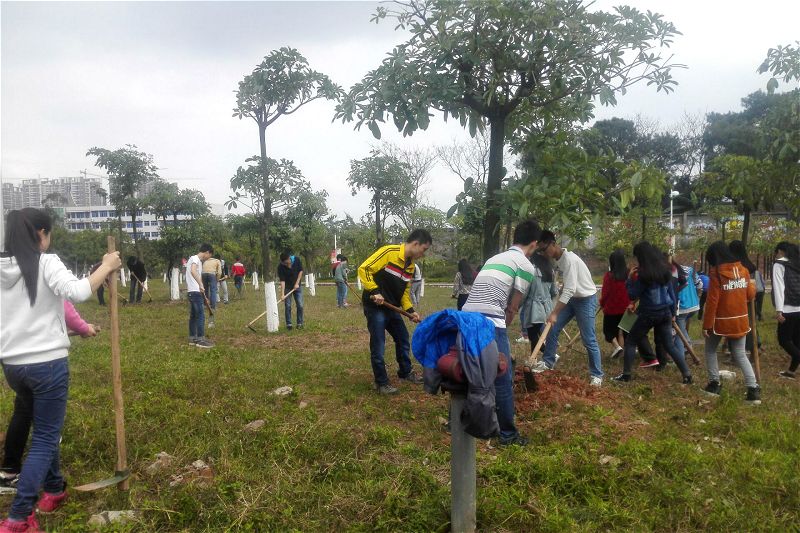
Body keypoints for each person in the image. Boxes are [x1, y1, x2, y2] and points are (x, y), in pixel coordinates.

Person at [0, 208, 121, 531]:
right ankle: (19, 516)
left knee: (42, 426)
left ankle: (54, 489)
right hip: (47, 365)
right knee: (45, 437)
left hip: (13, 367)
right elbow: (79, 292)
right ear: (41, 234)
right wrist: (107, 266)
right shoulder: (46, 262)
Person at [0, 301, 99, 494]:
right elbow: (62, 303)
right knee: (46, 430)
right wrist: (83, 327)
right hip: (38, 358)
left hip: (11, 355)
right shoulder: (37, 270)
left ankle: (10, 469)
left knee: (23, 408)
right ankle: (49, 488)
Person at [463, 220, 541, 445]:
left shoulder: (494, 258)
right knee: (502, 376)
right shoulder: (526, 266)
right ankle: (508, 435)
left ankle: (458, 420)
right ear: (534, 244)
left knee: (472, 371)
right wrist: (502, 335)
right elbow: (512, 307)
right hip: (491, 322)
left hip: (467, 317)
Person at [358, 229, 431, 395]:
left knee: (403, 338)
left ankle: (405, 372)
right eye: (424, 249)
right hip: (375, 307)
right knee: (379, 344)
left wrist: (411, 311)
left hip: (391, 307)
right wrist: (375, 291)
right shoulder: (388, 252)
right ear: (415, 244)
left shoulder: (410, 266)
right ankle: (381, 382)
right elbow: (364, 269)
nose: (423, 253)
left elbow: (404, 293)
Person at [612, 241, 693, 384]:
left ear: (641, 257)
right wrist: (673, 312)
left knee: (631, 341)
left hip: (648, 313)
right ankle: (687, 375)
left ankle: (626, 375)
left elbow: (632, 294)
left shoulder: (644, 274)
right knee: (669, 345)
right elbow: (671, 293)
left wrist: (630, 279)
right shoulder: (664, 270)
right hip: (665, 313)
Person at [532, 230, 604, 386]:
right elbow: (568, 286)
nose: (543, 253)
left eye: (544, 249)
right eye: (540, 251)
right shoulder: (559, 259)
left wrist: (555, 312)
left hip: (586, 300)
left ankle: (597, 375)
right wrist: (556, 309)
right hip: (572, 299)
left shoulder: (569, 260)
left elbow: (570, 289)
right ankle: (548, 361)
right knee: (551, 328)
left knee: (588, 338)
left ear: (553, 243)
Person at [701, 241, 760, 403]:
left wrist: (706, 325)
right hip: (741, 320)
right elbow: (750, 295)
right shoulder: (743, 270)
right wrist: (752, 287)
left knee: (710, 350)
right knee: (740, 354)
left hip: (721, 322)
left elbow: (712, 301)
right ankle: (753, 390)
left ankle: (714, 384)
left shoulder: (717, 273)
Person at [773, 241, 800, 380]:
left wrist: (779, 310)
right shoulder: (797, 263)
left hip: (788, 308)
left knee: (783, 340)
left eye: (776, 252)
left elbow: (779, 288)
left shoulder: (779, 264)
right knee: (796, 341)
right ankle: (791, 372)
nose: (776, 256)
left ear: (781, 251)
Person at [729, 240, 762, 352]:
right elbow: (753, 285)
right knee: (751, 324)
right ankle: (754, 347)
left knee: (738, 327)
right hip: (749, 298)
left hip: (737, 301)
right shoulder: (750, 266)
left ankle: (739, 352)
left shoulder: (734, 267)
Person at [521, 251, 557, 354]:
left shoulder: (532, 271)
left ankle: (549, 353)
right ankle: (533, 360)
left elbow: (525, 292)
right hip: (547, 307)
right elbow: (554, 292)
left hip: (534, 308)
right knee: (536, 334)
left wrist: (516, 306)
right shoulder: (550, 271)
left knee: (532, 335)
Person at [673, 256, 702, 361]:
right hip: (694, 305)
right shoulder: (689, 269)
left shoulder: (672, 272)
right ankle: (685, 350)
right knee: (682, 329)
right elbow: (700, 285)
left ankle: (682, 356)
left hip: (682, 306)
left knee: (680, 334)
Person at [187, 244, 215, 348]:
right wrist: (200, 284)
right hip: (194, 292)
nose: (208, 258)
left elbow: (194, 274)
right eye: (210, 255)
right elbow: (193, 271)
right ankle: (200, 340)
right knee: (200, 316)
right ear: (207, 252)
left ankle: (192, 338)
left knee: (194, 316)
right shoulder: (195, 258)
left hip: (194, 292)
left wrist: (203, 293)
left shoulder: (195, 260)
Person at [278, 251, 304, 330]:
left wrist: (297, 283)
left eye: (287, 263)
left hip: (297, 286)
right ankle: (289, 324)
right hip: (287, 288)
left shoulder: (296, 260)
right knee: (288, 305)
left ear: (289, 259)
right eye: (284, 263)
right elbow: (282, 281)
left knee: (300, 305)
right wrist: (282, 294)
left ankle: (300, 323)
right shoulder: (280, 267)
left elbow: (300, 271)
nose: (286, 264)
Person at [201, 252, 222, 327]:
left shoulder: (206, 260)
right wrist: (217, 280)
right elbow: (219, 272)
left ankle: (205, 304)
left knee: (205, 290)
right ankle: (213, 306)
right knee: (213, 290)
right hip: (212, 274)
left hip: (203, 274)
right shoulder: (217, 261)